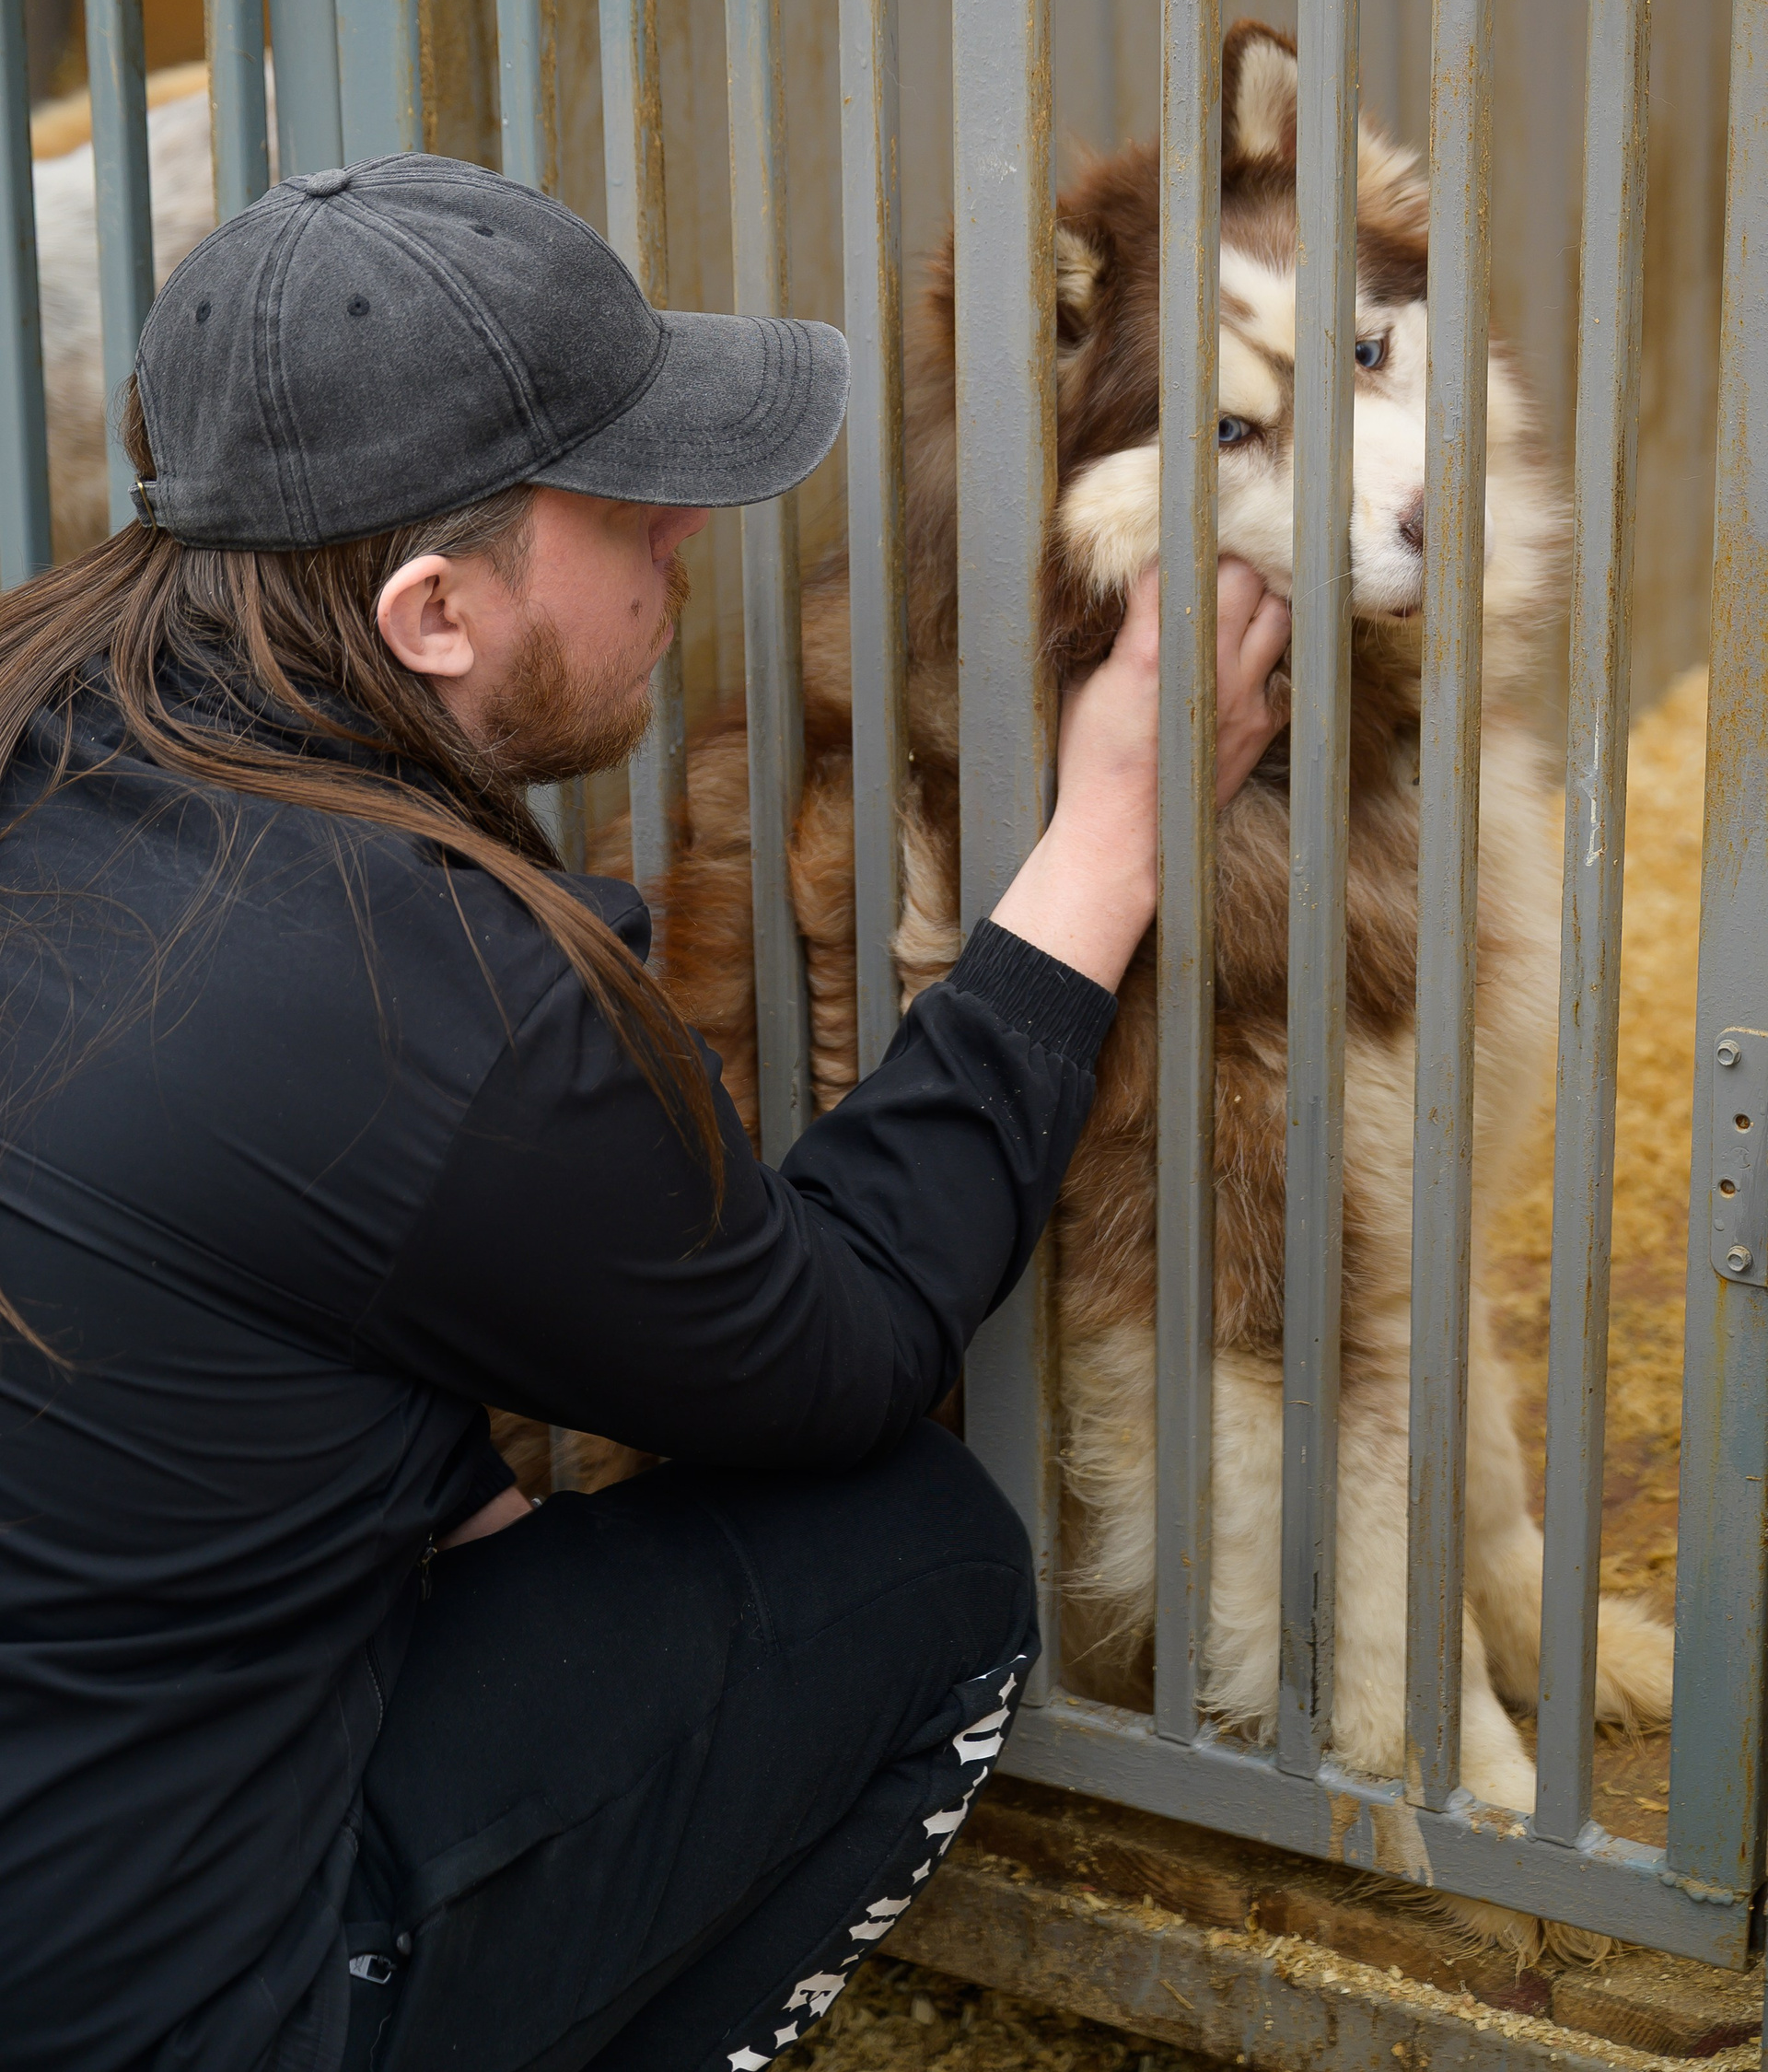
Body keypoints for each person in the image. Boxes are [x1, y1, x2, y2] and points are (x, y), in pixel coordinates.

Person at [0, 154, 1292, 2072]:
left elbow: (236, 1277)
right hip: (183, 2022)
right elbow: (840, 1347)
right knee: (924, 1560)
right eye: (627, 500)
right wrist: (1108, 842)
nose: (691, 529)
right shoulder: (425, 993)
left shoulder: (60, 732)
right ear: (435, 611)